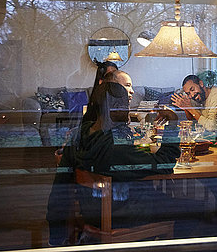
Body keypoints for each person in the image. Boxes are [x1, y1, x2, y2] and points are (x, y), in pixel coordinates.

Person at [46, 71, 179, 246]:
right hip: (120, 213)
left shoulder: (81, 134)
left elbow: (59, 185)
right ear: (115, 107)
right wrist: (173, 124)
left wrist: (55, 235)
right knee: (191, 210)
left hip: (91, 210)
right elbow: (165, 164)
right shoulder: (115, 146)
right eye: (125, 104)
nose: (128, 109)